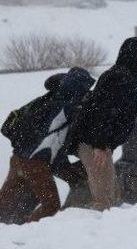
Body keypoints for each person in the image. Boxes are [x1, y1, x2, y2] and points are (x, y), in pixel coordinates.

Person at [69, 37, 137, 210]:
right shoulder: (119, 77)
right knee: (105, 201)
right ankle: (96, 233)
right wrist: (100, 146)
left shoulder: (122, 77)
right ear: (136, 58)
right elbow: (101, 112)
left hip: (94, 143)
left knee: (111, 197)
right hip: (93, 144)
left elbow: (135, 105)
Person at [0, 68, 95, 224]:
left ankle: (9, 231)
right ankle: (28, 232)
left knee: (4, 202)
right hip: (35, 164)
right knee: (51, 205)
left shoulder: (49, 99)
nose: (86, 92)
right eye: (85, 87)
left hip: (18, 158)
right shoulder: (66, 107)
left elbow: (52, 140)